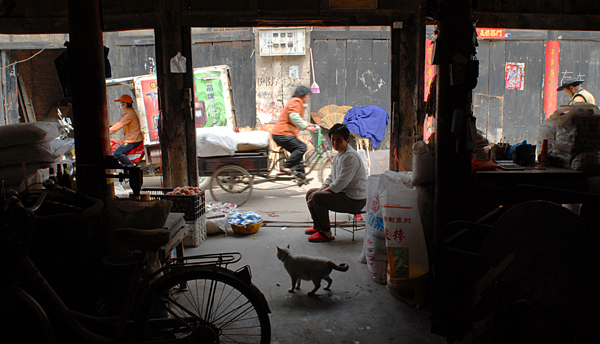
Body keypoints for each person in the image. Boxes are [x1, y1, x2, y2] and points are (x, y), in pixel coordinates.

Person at [304, 123, 367, 242]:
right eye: (333, 140)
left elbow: (339, 184)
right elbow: (331, 177)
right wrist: (320, 190)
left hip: (354, 200)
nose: (335, 143)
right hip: (343, 194)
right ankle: (319, 227)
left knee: (317, 197)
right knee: (311, 193)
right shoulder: (339, 154)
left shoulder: (350, 157)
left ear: (347, 140)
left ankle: (326, 233)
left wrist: (319, 193)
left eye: (339, 140)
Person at [271, 85, 318, 177]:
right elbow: (294, 117)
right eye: (307, 96)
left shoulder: (296, 102)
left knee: (298, 152)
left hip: (283, 133)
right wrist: (307, 127)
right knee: (302, 147)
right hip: (282, 133)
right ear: (302, 95)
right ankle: (285, 166)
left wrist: (307, 124)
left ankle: (301, 175)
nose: (308, 98)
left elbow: (295, 118)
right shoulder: (296, 101)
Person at [109, 94, 143, 167]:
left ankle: (132, 166)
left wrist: (107, 132)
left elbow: (120, 124)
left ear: (125, 103)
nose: (120, 104)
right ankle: (127, 166)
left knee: (117, 153)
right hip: (132, 139)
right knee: (121, 153)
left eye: (121, 102)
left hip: (133, 140)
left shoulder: (129, 114)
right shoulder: (129, 112)